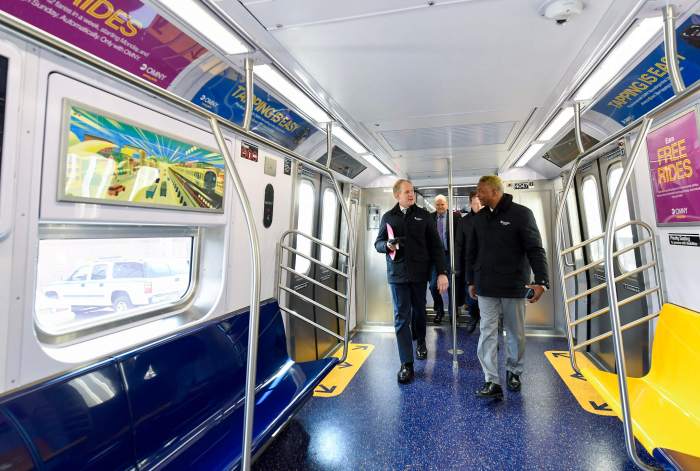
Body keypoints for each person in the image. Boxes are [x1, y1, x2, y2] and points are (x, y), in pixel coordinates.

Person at [465, 175, 549, 399]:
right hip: (485, 285)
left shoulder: (521, 214)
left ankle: (513, 371)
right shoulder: (478, 218)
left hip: (513, 284)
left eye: (480, 191)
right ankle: (491, 379)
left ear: (494, 191)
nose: (477, 195)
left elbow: (535, 249)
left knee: (514, 332)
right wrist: (470, 280)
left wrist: (541, 281)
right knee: (487, 332)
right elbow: (470, 253)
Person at [375, 179, 448, 384]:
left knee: (419, 311)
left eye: (412, 192)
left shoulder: (423, 216)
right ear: (397, 195)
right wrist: (387, 246)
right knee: (400, 317)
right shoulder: (389, 217)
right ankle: (406, 363)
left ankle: (421, 341)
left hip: (419, 273)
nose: (411, 195)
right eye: (407, 192)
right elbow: (378, 243)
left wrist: (442, 272)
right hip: (397, 274)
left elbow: (436, 246)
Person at [429, 194, 460, 324]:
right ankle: (439, 310)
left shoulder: (455, 217)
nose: (440, 206)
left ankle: (454, 314)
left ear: (447, 204)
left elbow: (459, 238)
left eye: (442, 204)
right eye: (438, 204)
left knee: (453, 286)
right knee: (432, 286)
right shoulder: (430, 218)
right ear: (435, 206)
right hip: (435, 257)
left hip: (450, 256)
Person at [455, 190, 482, 333]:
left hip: (487, 264)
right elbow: (459, 244)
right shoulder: (464, 221)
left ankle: (486, 323)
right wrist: (457, 266)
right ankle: (473, 316)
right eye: (475, 203)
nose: (477, 206)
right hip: (469, 264)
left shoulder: (489, 218)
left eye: (480, 203)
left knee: (486, 296)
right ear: (470, 203)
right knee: (471, 295)